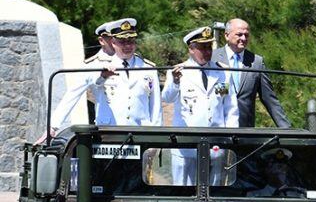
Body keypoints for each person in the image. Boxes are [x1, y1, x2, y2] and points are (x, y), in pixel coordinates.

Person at [162, 26, 238, 185]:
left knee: (215, 190)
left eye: (209, 47)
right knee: (183, 191)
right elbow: (167, 98)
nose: (207, 52)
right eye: (202, 48)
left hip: (216, 143)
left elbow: (229, 106)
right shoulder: (178, 72)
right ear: (191, 49)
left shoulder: (221, 72)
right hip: (186, 144)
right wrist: (175, 82)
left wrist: (231, 135)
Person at [212, 18, 291, 128]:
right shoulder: (212, 58)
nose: (243, 38)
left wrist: (287, 130)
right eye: (239, 34)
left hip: (245, 132)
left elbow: (270, 99)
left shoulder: (256, 62)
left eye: (246, 35)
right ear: (226, 35)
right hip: (217, 129)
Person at [90, 19, 161, 126]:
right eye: (122, 42)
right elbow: (94, 85)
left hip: (141, 132)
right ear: (113, 43)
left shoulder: (148, 67)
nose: (127, 46)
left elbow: (156, 105)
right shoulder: (102, 65)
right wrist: (103, 76)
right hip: (110, 131)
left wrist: (157, 135)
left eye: (131, 41)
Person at [49, 20, 116, 133]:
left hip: (137, 126)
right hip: (108, 127)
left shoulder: (134, 61)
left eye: (118, 38)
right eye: (111, 38)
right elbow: (72, 94)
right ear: (101, 40)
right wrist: (53, 126)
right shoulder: (92, 64)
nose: (116, 42)